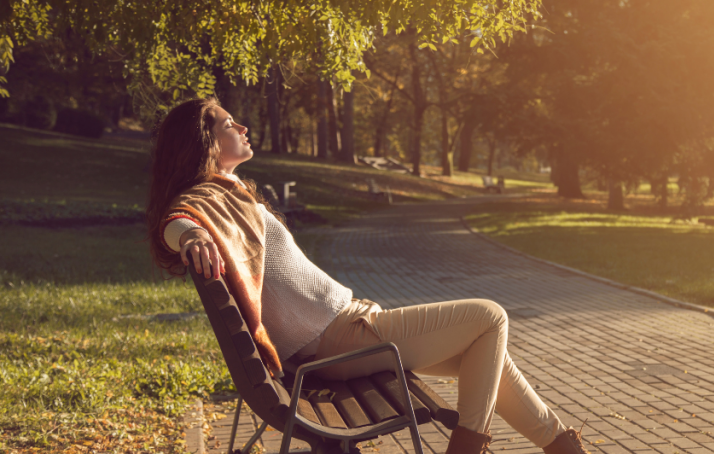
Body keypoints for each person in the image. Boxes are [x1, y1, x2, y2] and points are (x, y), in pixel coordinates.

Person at [146, 98, 590, 454]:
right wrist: (189, 238)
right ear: (204, 140)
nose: (241, 127)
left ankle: (563, 447)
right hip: (343, 338)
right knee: (490, 318)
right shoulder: (207, 197)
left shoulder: (230, 194)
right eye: (228, 124)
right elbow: (176, 219)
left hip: (349, 332)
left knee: (488, 355)